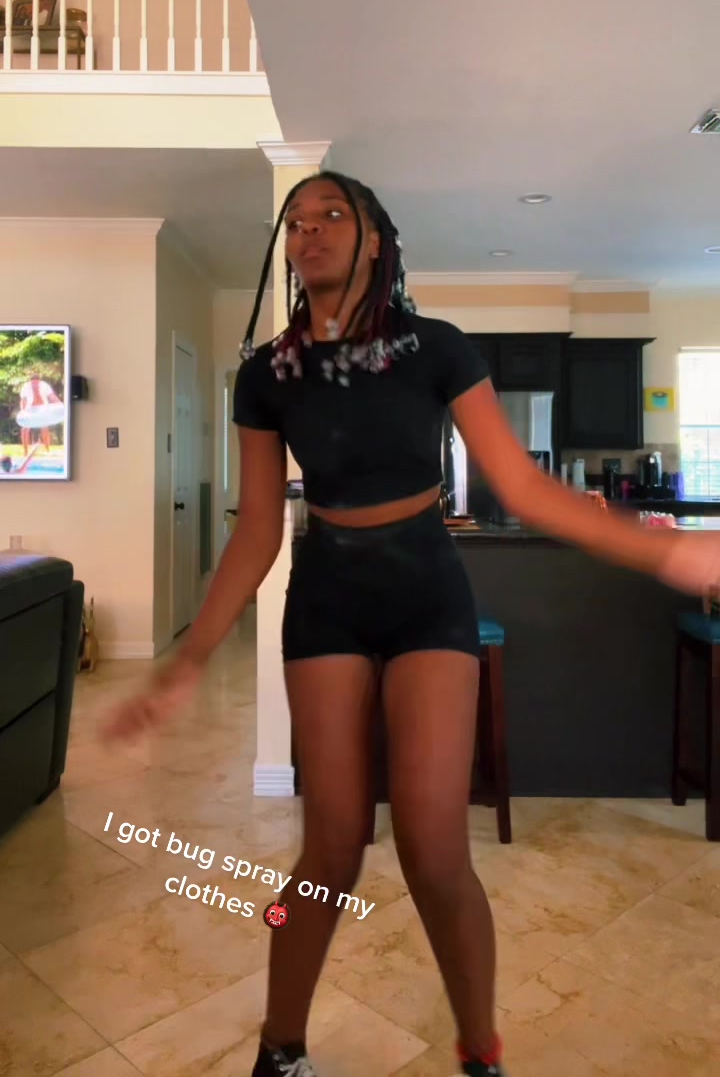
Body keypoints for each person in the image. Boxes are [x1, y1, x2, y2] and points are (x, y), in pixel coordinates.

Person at [102, 171, 720, 1077]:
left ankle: (480, 1050)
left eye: (332, 215)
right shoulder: (266, 375)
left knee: (435, 852)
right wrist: (189, 658)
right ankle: (280, 1047)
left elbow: (523, 488)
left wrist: (666, 551)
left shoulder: (437, 349)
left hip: (427, 593)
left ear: (376, 242)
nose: (309, 231)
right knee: (329, 850)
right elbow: (260, 528)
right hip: (328, 595)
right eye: (296, 221)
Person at [19, 373, 60, 454]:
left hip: (42, 409)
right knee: (25, 429)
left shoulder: (44, 385)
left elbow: (51, 396)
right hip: (30, 409)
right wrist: (23, 410)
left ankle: (47, 449)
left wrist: (58, 403)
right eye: (33, 383)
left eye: (36, 382)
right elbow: (23, 399)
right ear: (31, 382)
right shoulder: (26, 386)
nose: (35, 384)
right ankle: (25, 451)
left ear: (39, 381)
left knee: (45, 428)